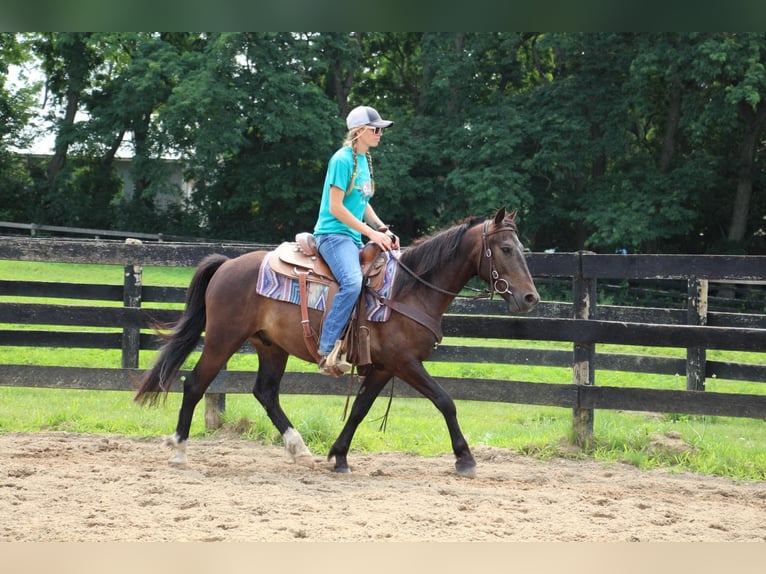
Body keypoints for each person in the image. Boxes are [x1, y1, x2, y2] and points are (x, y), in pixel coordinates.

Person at [313, 105, 399, 376]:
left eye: (381, 130)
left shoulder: (364, 160)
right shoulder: (341, 160)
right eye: (376, 129)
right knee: (352, 282)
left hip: (351, 237)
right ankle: (326, 349)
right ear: (360, 131)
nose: (380, 134)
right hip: (332, 235)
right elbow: (336, 207)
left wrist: (382, 228)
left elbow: (363, 203)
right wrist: (371, 234)